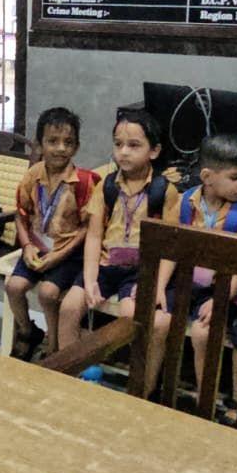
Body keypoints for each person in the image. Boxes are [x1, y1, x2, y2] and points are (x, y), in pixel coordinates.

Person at [60, 109, 178, 397]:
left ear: (155, 151)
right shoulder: (108, 186)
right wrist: (89, 279)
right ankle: (69, 376)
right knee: (70, 306)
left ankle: (139, 391)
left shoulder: (165, 191)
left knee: (131, 316)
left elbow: (171, 246)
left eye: (134, 145)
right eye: (118, 144)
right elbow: (95, 235)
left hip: (141, 269)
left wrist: (158, 284)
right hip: (106, 264)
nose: (123, 152)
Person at [156, 134, 237, 406]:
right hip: (184, 283)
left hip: (219, 289)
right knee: (157, 320)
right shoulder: (183, 202)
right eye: (236, 177)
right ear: (207, 176)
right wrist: (157, 286)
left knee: (204, 333)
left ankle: (207, 400)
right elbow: (171, 248)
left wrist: (220, 299)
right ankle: (149, 387)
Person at [5, 107, 98, 361]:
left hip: (68, 254)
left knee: (47, 293)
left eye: (68, 143)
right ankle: (27, 332)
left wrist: (58, 256)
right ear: (39, 145)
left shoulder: (85, 182)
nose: (60, 149)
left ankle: (54, 345)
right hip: (36, 249)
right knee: (13, 286)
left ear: (76, 147)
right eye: (52, 141)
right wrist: (26, 246)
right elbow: (21, 214)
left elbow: (87, 228)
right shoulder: (32, 176)